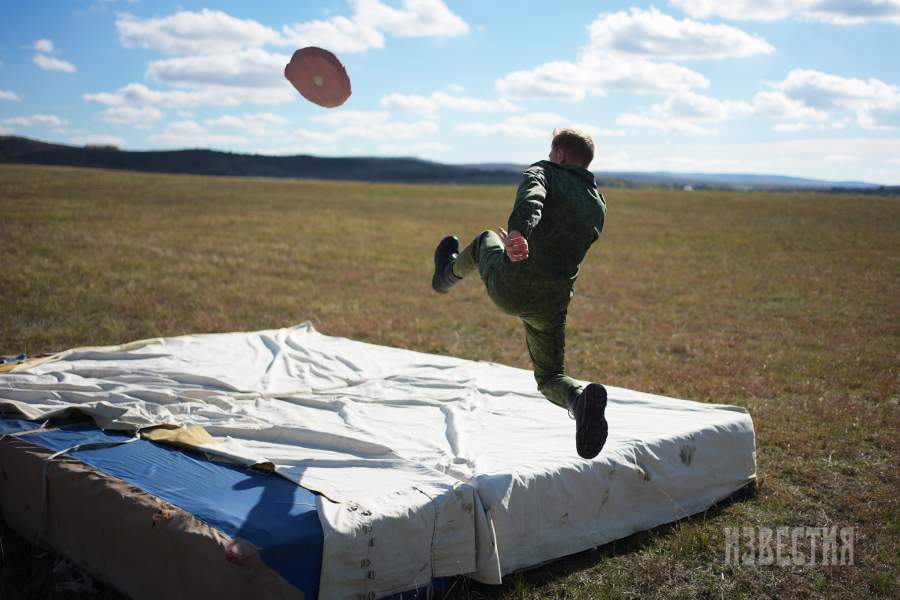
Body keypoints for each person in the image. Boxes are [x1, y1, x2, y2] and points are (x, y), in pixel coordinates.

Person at [431, 128, 608, 459]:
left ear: (560, 154)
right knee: (550, 376)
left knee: (485, 239)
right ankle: (579, 401)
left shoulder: (545, 171)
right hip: (552, 303)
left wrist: (517, 234)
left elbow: (532, 199)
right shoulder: (597, 203)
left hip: (512, 284)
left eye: (552, 153)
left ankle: (444, 276)